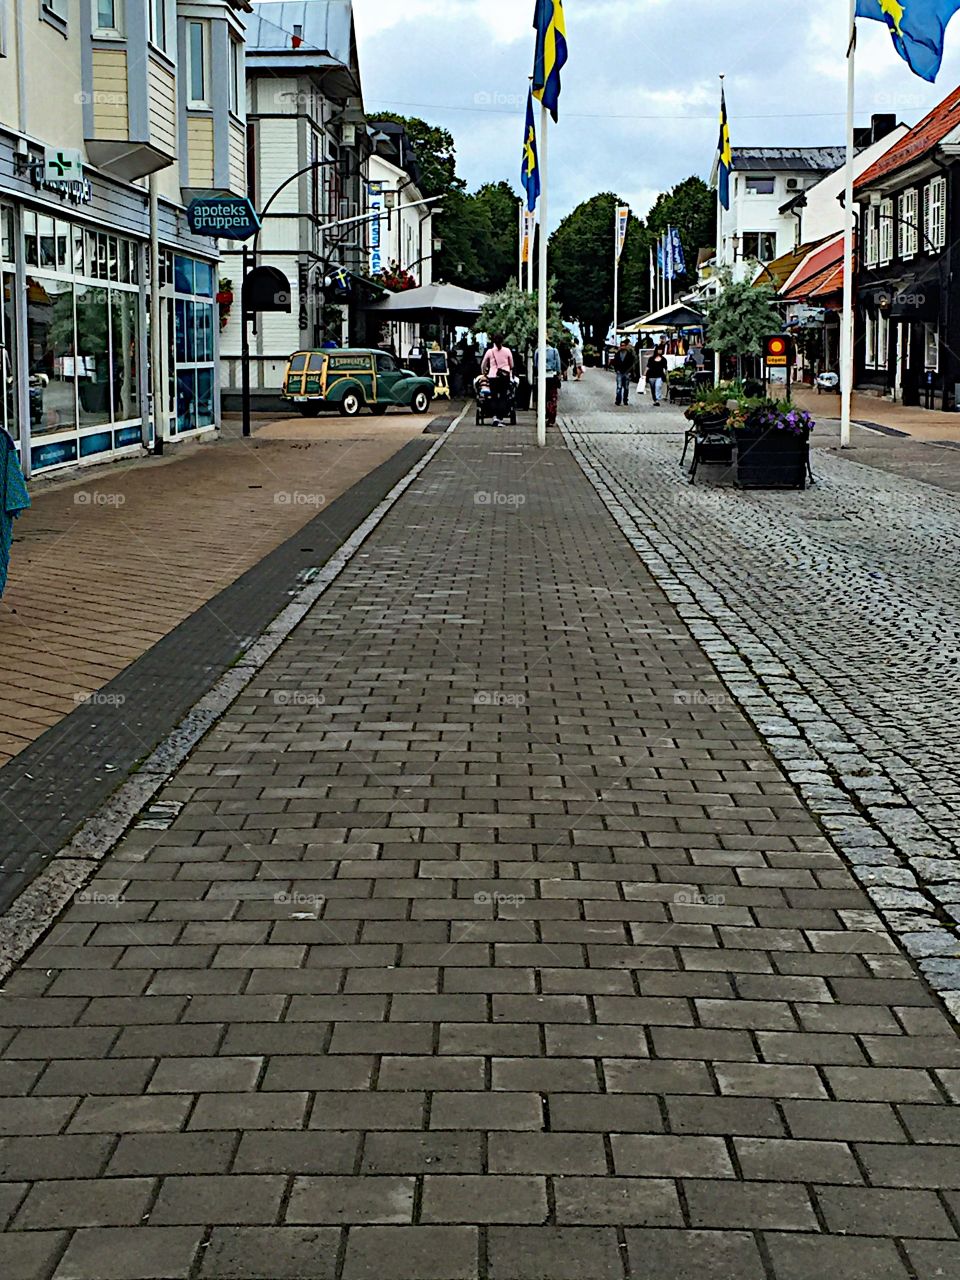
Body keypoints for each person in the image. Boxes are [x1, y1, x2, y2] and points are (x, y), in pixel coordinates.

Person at [480, 333, 514, 427]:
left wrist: (484, 373)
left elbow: (483, 364)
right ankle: (500, 417)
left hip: (492, 376)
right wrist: (507, 369)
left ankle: (494, 417)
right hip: (504, 377)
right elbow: (512, 364)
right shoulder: (507, 351)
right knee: (503, 396)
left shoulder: (489, 352)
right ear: (502, 341)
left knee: (494, 396)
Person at [534, 342, 562, 427]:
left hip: (541, 377)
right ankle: (551, 418)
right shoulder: (554, 351)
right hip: (552, 376)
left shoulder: (538, 351)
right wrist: (559, 375)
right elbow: (558, 365)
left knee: (542, 397)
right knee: (552, 397)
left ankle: (542, 416)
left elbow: (535, 364)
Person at [612, 338, 636, 406]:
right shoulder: (617, 354)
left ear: (626, 346)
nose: (622, 347)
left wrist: (630, 372)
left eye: (623, 345)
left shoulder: (629, 354)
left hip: (626, 372)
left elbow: (631, 363)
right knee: (619, 387)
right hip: (619, 372)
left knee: (626, 387)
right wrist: (616, 370)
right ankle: (618, 400)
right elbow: (615, 362)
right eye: (621, 345)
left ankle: (625, 400)